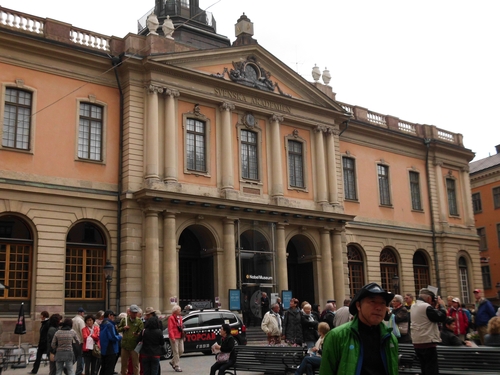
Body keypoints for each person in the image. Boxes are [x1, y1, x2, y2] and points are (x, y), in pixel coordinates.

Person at [319, 282, 398, 375]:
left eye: (383, 303)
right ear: (358, 306)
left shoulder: (390, 339)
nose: (379, 308)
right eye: (372, 302)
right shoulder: (337, 336)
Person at [410, 288, 447, 375]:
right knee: (431, 369)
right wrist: (442, 306)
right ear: (429, 298)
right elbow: (441, 317)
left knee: (424, 368)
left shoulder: (413, 306)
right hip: (427, 342)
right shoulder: (425, 307)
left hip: (417, 342)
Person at [117, 305, 144, 375]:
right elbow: (117, 329)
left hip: (134, 346)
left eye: (136, 313)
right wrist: (123, 328)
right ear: (130, 312)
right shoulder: (124, 320)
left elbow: (142, 332)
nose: (134, 314)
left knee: (135, 364)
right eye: (133, 312)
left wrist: (137, 334)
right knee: (124, 364)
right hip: (125, 345)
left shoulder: (139, 321)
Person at [99, 310, 122, 375]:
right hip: (111, 348)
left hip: (104, 348)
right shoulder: (110, 325)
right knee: (109, 369)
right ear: (109, 315)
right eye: (113, 316)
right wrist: (120, 336)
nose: (113, 318)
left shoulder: (102, 323)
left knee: (103, 367)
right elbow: (113, 337)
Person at [30, 310, 50, 374]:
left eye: (41, 315)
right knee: (38, 357)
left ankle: (57, 369)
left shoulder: (47, 323)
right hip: (42, 344)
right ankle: (34, 370)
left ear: (44, 316)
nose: (40, 316)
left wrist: (45, 341)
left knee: (50, 357)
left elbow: (46, 334)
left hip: (45, 344)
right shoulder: (44, 323)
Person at [167, 305, 184, 372]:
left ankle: (172, 361)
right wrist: (172, 337)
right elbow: (170, 329)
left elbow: (181, 327)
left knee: (181, 350)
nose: (180, 311)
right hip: (174, 336)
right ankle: (177, 366)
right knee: (176, 352)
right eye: (179, 310)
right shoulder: (171, 318)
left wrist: (183, 335)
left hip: (180, 336)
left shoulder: (180, 317)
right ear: (175, 311)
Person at [73, 308, 86, 375]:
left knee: (75, 356)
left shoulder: (73, 319)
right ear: (81, 313)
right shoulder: (80, 321)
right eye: (83, 313)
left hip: (73, 341)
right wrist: (84, 341)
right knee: (81, 356)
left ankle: (67, 367)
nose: (84, 314)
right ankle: (79, 371)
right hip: (79, 341)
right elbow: (82, 331)